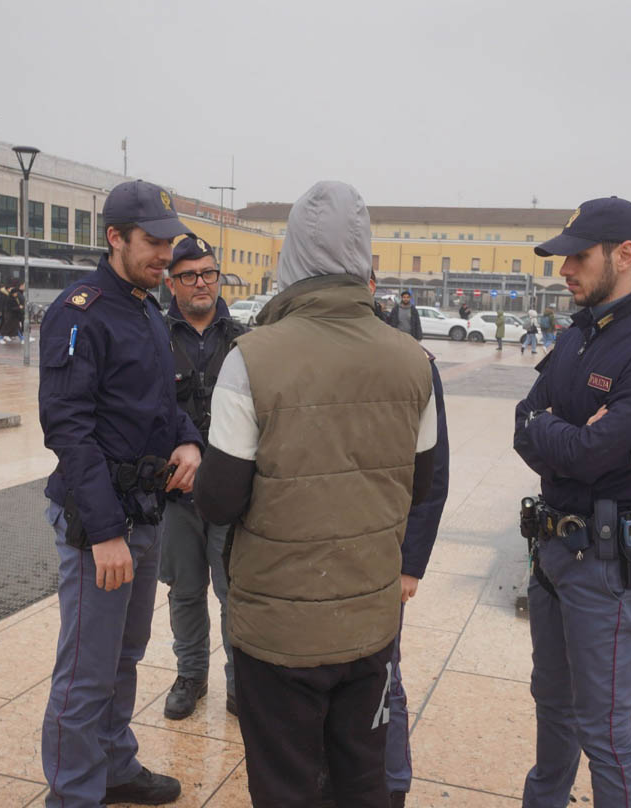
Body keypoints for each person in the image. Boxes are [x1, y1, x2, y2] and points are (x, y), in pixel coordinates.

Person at [195, 181, 438, 808]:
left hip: (276, 631)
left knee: (285, 787)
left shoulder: (249, 359)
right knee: (363, 783)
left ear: (289, 258)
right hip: (369, 625)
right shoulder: (415, 362)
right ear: (366, 259)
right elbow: (428, 485)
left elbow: (219, 502)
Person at [514, 197, 631, 807]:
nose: (564, 269)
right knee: (553, 707)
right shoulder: (578, 335)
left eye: (578, 257)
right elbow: (524, 422)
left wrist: (560, 432)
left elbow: (597, 451)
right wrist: (566, 432)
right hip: (552, 553)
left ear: (625, 256)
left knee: (605, 731)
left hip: (607, 564)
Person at [38, 179, 202, 807]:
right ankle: (74, 794)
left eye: (170, 242)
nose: (167, 254)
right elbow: (69, 430)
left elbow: (164, 404)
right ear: (115, 238)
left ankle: (112, 765)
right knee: (85, 671)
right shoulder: (80, 312)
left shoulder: (144, 308)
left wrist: (190, 442)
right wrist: (104, 533)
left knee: (125, 656)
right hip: (98, 519)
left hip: (144, 511)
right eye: (154, 242)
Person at [365, 272, 452, 808]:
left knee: (383, 675)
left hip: (382, 557)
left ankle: (391, 785)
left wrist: (411, 565)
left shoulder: (411, 362)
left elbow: (432, 475)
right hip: (309, 557)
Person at [158, 234, 248, 721]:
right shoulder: (153, 335)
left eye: (209, 273)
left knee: (233, 590)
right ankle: (191, 675)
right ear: (172, 284)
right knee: (184, 589)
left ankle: (240, 682)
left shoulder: (244, 338)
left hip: (231, 494)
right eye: (189, 275)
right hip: (174, 493)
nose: (201, 283)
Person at [0, 280, 22, 345]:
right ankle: (0, 338)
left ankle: (22, 338)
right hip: (10, 316)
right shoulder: (9, 298)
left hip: (12, 316)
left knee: (16, 328)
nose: (16, 294)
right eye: (16, 293)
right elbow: (11, 307)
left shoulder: (11, 297)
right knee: (6, 328)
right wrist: (19, 307)